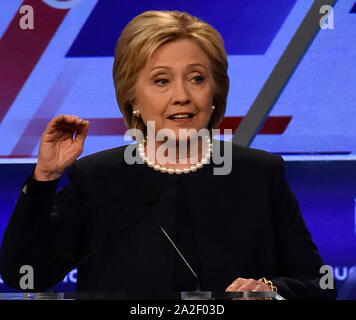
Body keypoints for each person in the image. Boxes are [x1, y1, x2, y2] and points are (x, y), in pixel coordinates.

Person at [0, 10, 336, 300]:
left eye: (196, 78)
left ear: (215, 92)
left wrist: (269, 291)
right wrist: (44, 179)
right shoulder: (98, 178)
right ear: (132, 96)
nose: (182, 96)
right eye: (161, 80)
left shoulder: (259, 174)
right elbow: (25, 274)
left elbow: (319, 283)